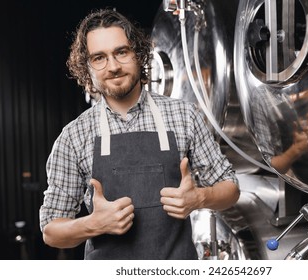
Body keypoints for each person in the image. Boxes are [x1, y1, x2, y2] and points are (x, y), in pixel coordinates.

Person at [39, 8, 239, 260]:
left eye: (121, 52)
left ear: (139, 54)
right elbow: (51, 231)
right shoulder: (74, 136)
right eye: (99, 58)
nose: (113, 66)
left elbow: (230, 189)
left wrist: (200, 197)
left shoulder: (184, 115)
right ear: (87, 67)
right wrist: (94, 224)